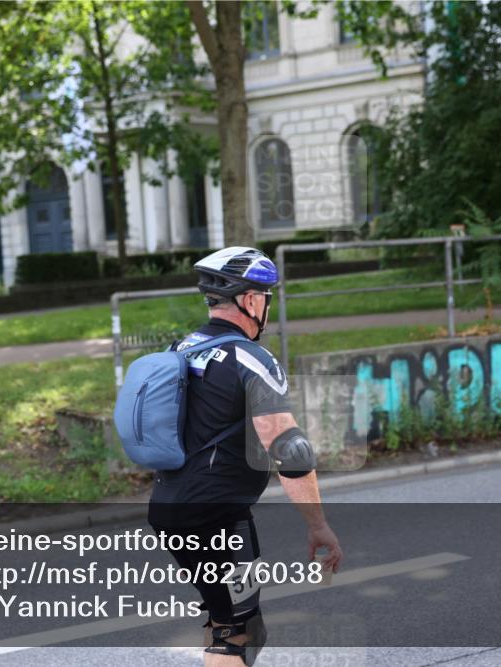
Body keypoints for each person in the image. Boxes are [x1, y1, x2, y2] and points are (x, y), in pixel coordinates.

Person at [148, 246, 343, 666]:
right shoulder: (252, 358)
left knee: (224, 617)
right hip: (217, 517)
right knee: (241, 633)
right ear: (252, 300)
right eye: (266, 298)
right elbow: (289, 449)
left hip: (168, 507)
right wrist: (318, 524)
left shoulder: (179, 349)